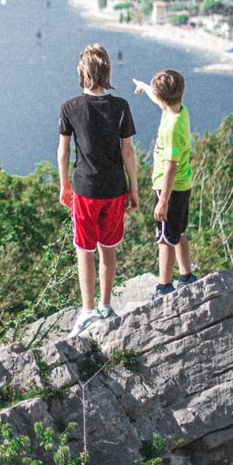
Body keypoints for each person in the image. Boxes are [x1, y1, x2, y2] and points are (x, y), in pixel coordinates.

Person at [58, 44, 139, 335]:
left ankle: (88, 311)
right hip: (115, 189)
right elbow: (127, 151)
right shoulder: (120, 107)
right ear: (107, 73)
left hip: (85, 189)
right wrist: (134, 188)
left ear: (83, 72)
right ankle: (105, 307)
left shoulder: (70, 107)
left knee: (84, 250)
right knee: (109, 249)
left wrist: (63, 184)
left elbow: (63, 152)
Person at [134, 69, 195, 298]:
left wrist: (163, 202)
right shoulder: (180, 111)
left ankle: (164, 286)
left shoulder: (172, 128)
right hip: (183, 185)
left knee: (164, 239)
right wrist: (145, 87)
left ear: (161, 98)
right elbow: (160, 101)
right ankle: (187, 275)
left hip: (169, 187)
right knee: (177, 232)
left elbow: (171, 166)